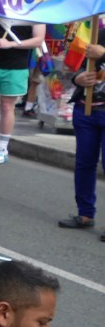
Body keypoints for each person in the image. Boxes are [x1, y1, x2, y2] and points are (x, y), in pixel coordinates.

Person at [0, 18, 45, 163]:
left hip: (17, 67)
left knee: (7, 106)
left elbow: (38, 40)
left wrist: (11, 44)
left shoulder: (35, 11)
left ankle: (2, 148)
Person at [57, 39, 105, 235]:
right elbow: (72, 66)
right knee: (84, 162)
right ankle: (85, 214)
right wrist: (78, 79)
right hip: (85, 110)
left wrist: (103, 53)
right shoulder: (95, 32)